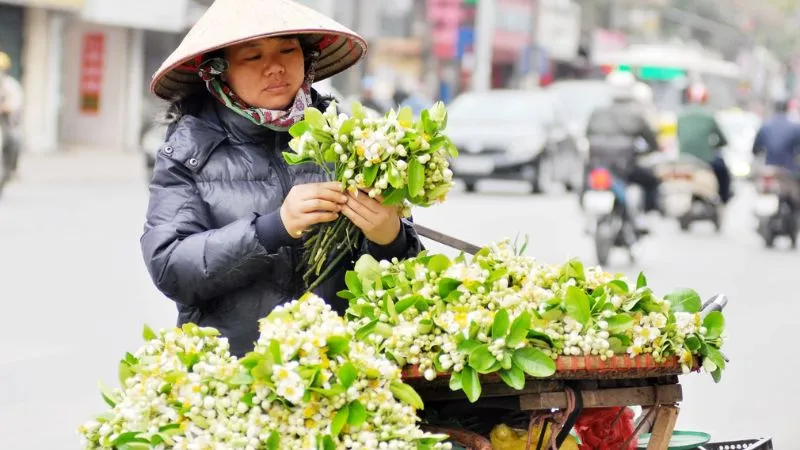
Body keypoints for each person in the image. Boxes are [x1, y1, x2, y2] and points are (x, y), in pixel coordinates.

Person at [141, 0, 423, 358]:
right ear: (219, 71)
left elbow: (401, 279)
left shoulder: (352, 140)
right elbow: (170, 266)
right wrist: (273, 228)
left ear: (307, 59)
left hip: (339, 375)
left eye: (287, 50)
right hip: (230, 377)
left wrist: (391, 239)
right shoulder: (189, 150)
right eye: (253, 56)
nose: (274, 67)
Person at [585, 71, 661, 230]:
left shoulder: (597, 113)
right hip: (625, 169)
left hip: (599, 166)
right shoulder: (636, 114)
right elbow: (652, 140)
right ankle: (644, 217)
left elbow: (587, 135)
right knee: (652, 180)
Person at [676, 83, 732, 204]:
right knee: (722, 171)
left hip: (683, 159)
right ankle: (723, 199)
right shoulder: (709, 115)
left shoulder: (682, 115)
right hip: (705, 160)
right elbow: (722, 139)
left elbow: (679, 136)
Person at [753, 100, 800, 174]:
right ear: (787, 110)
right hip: (789, 169)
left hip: (769, 168)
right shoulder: (795, 127)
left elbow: (755, 149)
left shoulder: (765, 126)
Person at [0, 51, 23, 176]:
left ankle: (11, 168)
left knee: (15, 139)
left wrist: (4, 108)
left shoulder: (11, 86)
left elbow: (15, 104)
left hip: (6, 122)